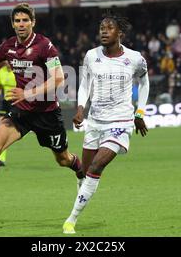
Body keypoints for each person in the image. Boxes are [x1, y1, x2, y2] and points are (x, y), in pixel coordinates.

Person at [0, 3, 84, 216]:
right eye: (17, 20)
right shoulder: (8, 45)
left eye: (25, 20)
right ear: (12, 23)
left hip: (47, 114)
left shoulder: (45, 46)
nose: (21, 24)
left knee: (63, 159)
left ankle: (82, 173)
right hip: (21, 112)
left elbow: (58, 78)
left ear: (33, 22)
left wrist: (27, 93)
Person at [62, 12, 150, 234]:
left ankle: (71, 219)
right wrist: (81, 109)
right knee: (84, 171)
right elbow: (84, 85)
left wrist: (139, 113)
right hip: (95, 122)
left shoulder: (135, 58)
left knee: (96, 166)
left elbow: (145, 82)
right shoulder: (91, 56)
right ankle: (83, 187)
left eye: (109, 28)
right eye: (102, 27)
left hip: (120, 122)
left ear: (119, 33)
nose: (103, 31)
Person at [0, 61, 17, 166]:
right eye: (6, 60)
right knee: (1, 128)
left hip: (17, 101)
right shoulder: (0, 72)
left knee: (12, 130)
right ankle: (0, 158)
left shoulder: (19, 71)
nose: (7, 62)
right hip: (5, 102)